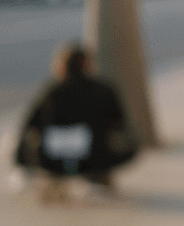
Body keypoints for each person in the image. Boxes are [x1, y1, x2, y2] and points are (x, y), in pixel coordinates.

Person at [14, 42, 138, 203]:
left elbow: (29, 127)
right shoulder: (104, 90)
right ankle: (99, 176)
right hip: (96, 158)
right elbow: (121, 125)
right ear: (88, 65)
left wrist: (22, 158)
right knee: (117, 140)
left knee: (35, 141)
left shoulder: (51, 92)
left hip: (53, 160)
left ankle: (55, 178)